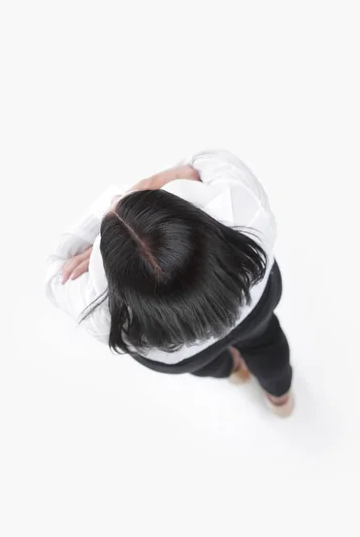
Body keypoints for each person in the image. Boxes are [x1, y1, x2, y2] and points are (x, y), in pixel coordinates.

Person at [46, 150, 294, 416]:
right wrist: (159, 182)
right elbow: (207, 158)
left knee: (207, 365)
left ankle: (233, 370)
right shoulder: (242, 210)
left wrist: (105, 223)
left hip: (181, 354)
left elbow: (55, 272)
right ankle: (280, 398)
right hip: (254, 305)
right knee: (267, 344)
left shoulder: (102, 312)